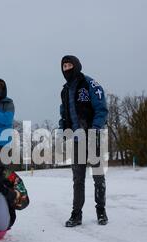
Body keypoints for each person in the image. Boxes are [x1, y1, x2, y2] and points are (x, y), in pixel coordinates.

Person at [58, 55, 109, 227]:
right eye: (64, 66)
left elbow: (101, 108)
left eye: (69, 65)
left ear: (77, 65)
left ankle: (101, 211)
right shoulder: (64, 91)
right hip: (77, 138)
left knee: (97, 175)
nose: (67, 68)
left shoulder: (89, 84)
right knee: (78, 178)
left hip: (92, 135)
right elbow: (63, 113)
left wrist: (95, 128)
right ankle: (76, 214)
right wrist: (63, 127)